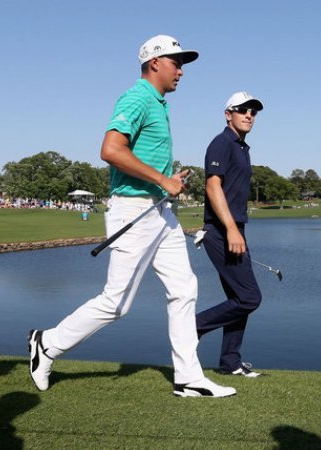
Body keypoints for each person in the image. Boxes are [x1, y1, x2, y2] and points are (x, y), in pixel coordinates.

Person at [28, 35, 236, 398]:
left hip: (159, 212)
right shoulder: (138, 97)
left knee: (185, 287)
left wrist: (168, 181)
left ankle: (188, 378)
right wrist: (160, 180)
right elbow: (109, 149)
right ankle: (46, 344)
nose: (181, 71)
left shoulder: (159, 103)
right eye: (176, 62)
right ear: (154, 62)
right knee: (117, 302)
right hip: (134, 211)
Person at [195, 91, 265, 377]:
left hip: (234, 230)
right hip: (222, 231)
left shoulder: (241, 147)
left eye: (253, 111)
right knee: (250, 298)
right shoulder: (222, 143)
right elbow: (212, 188)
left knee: (239, 298)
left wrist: (238, 230)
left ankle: (230, 362)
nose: (249, 115)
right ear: (228, 114)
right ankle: (192, 328)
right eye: (242, 110)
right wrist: (232, 230)